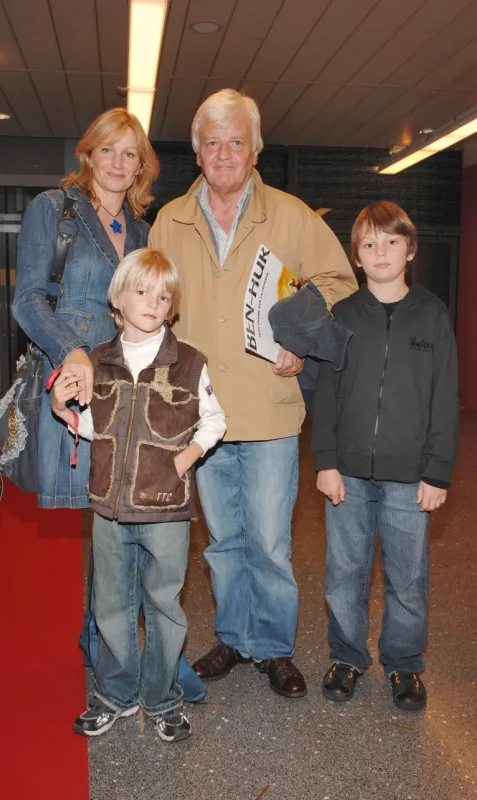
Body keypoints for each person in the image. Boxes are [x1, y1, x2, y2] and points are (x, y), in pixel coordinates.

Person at [149, 89, 357, 698]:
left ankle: (273, 647)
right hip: (200, 414)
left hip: (269, 406)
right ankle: (236, 638)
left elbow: (340, 282)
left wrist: (302, 339)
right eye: (211, 142)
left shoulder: (292, 215)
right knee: (223, 540)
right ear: (196, 153)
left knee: (268, 539)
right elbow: (151, 301)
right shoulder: (170, 220)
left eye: (235, 140)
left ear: (256, 148)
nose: (223, 153)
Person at [12, 107, 205, 701]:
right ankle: (110, 646)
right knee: (108, 517)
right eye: (108, 151)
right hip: (78, 387)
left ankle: (142, 650)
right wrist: (76, 352)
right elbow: (26, 301)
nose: (120, 163)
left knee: (132, 513)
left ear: (142, 165)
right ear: (88, 155)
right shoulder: (53, 210)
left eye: (132, 154)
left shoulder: (143, 233)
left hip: (136, 395)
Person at [51, 248, 226, 740]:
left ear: (173, 307)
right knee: (111, 603)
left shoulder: (188, 361)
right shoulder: (98, 362)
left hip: (167, 510)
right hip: (108, 507)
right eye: (142, 291)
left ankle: (163, 698)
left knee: (164, 605)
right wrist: (66, 411)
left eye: (163, 295)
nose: (152, 302)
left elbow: (215, 420)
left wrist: (183, 460)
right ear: (118, 297)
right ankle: (116, 694)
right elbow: (93, 426)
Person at [312, 200, 459, 711]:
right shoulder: (343, 316)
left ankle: (404, 665)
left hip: (408, 476)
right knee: (345, 572)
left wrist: (437, 472)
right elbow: (325, 394)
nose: (380, 251)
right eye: (369, 243)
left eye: (391, 241)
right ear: (355, 256)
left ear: (410, 250)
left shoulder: (433, 317)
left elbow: (445, 399)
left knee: (407, 577)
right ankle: (347, 656)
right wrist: (325, 462)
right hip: (347, 475)